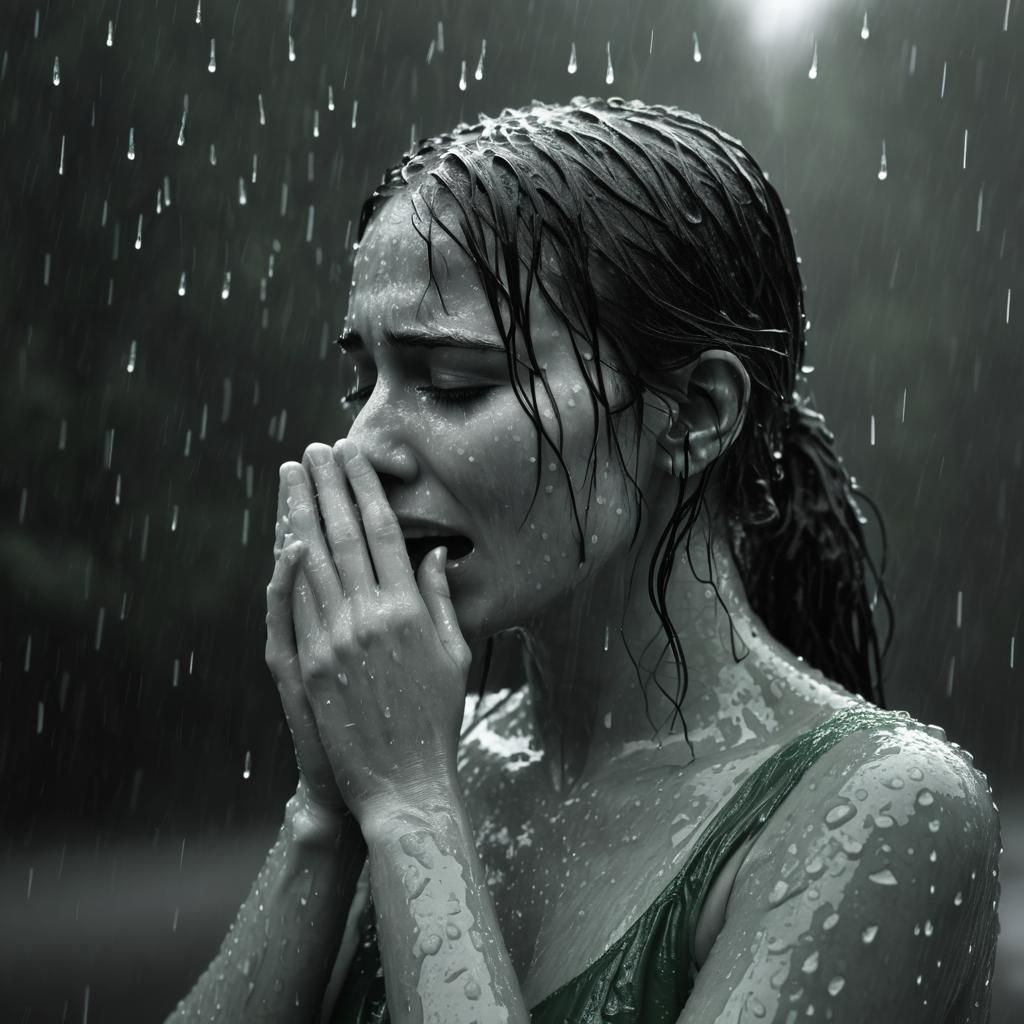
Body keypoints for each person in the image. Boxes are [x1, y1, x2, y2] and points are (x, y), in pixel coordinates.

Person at [168, 97, 1002, 1024]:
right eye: (363, 382)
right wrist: (325, 813)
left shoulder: (887, 807)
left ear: (693, 413)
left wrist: (411, 814)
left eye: (451, 385)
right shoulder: (427, 747)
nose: (362, 449)